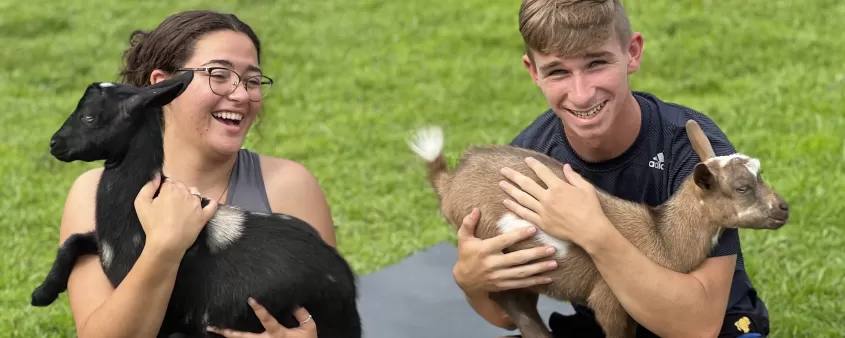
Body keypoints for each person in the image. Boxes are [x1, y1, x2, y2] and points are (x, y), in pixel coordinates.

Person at [451, 0, 771, 337]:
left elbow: (698, 327)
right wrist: (471, 282)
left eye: (596, 63)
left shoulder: (693, 152)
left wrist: (594, 232)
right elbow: (509, 313)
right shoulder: (528, 163)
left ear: (632, 53)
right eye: (558, 71)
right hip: (606, 323)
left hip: (712, 322)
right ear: (534, 72)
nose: (581, 94)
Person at [58, 10, 329, 338]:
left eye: (252, 81)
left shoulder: (289, 187)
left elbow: (331, 320)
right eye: (218, 74)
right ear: (164, 86)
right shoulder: (92, 193)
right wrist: (165, 246)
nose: (241, 94)